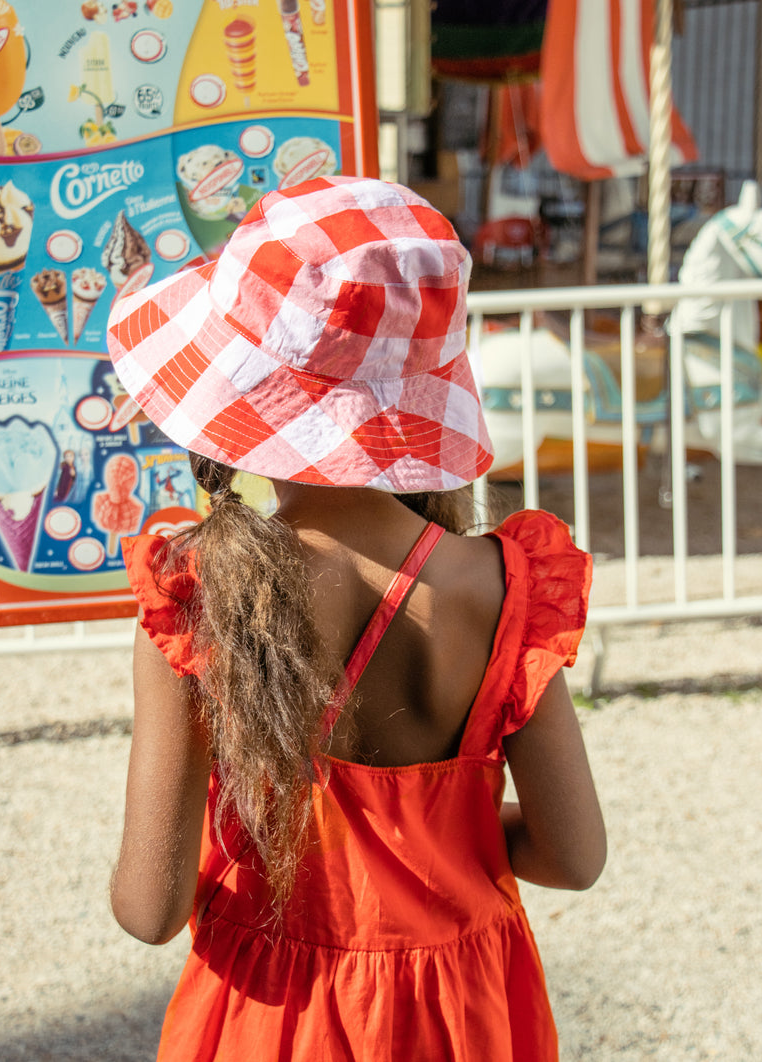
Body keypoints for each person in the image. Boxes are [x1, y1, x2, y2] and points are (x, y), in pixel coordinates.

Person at [107, 175, 606, 1061]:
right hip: (467, 1014)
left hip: (267, 1019)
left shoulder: (199, 596)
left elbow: (149, 909)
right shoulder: (505, 593)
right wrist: (435, 832)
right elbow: (574, 856)